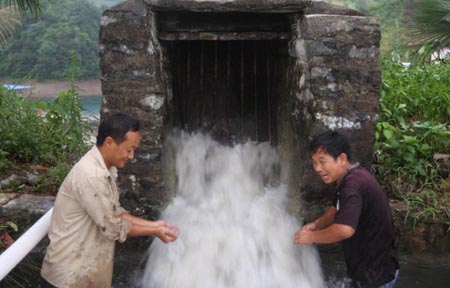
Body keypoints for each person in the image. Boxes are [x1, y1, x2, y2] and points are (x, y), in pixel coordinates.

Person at [40, 113, 180, 288]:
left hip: (83, 276)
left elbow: (116, 213)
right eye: (129, 149)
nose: (132, 156)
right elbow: (113, 227)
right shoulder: (91, 175)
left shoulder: (105, 169)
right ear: (109, 143)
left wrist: (157, 225)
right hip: (66, 279)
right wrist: (155, 231)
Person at [294, 131, 399, 288]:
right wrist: (316, 224)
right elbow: (336, 209)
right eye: (314, 163)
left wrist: (312, 237)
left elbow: (344, 229)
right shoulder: (352, 176)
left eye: (322, 161)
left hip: (375, 279)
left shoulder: (352, 185)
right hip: (379, 270)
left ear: (342, 159)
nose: (317, 168)